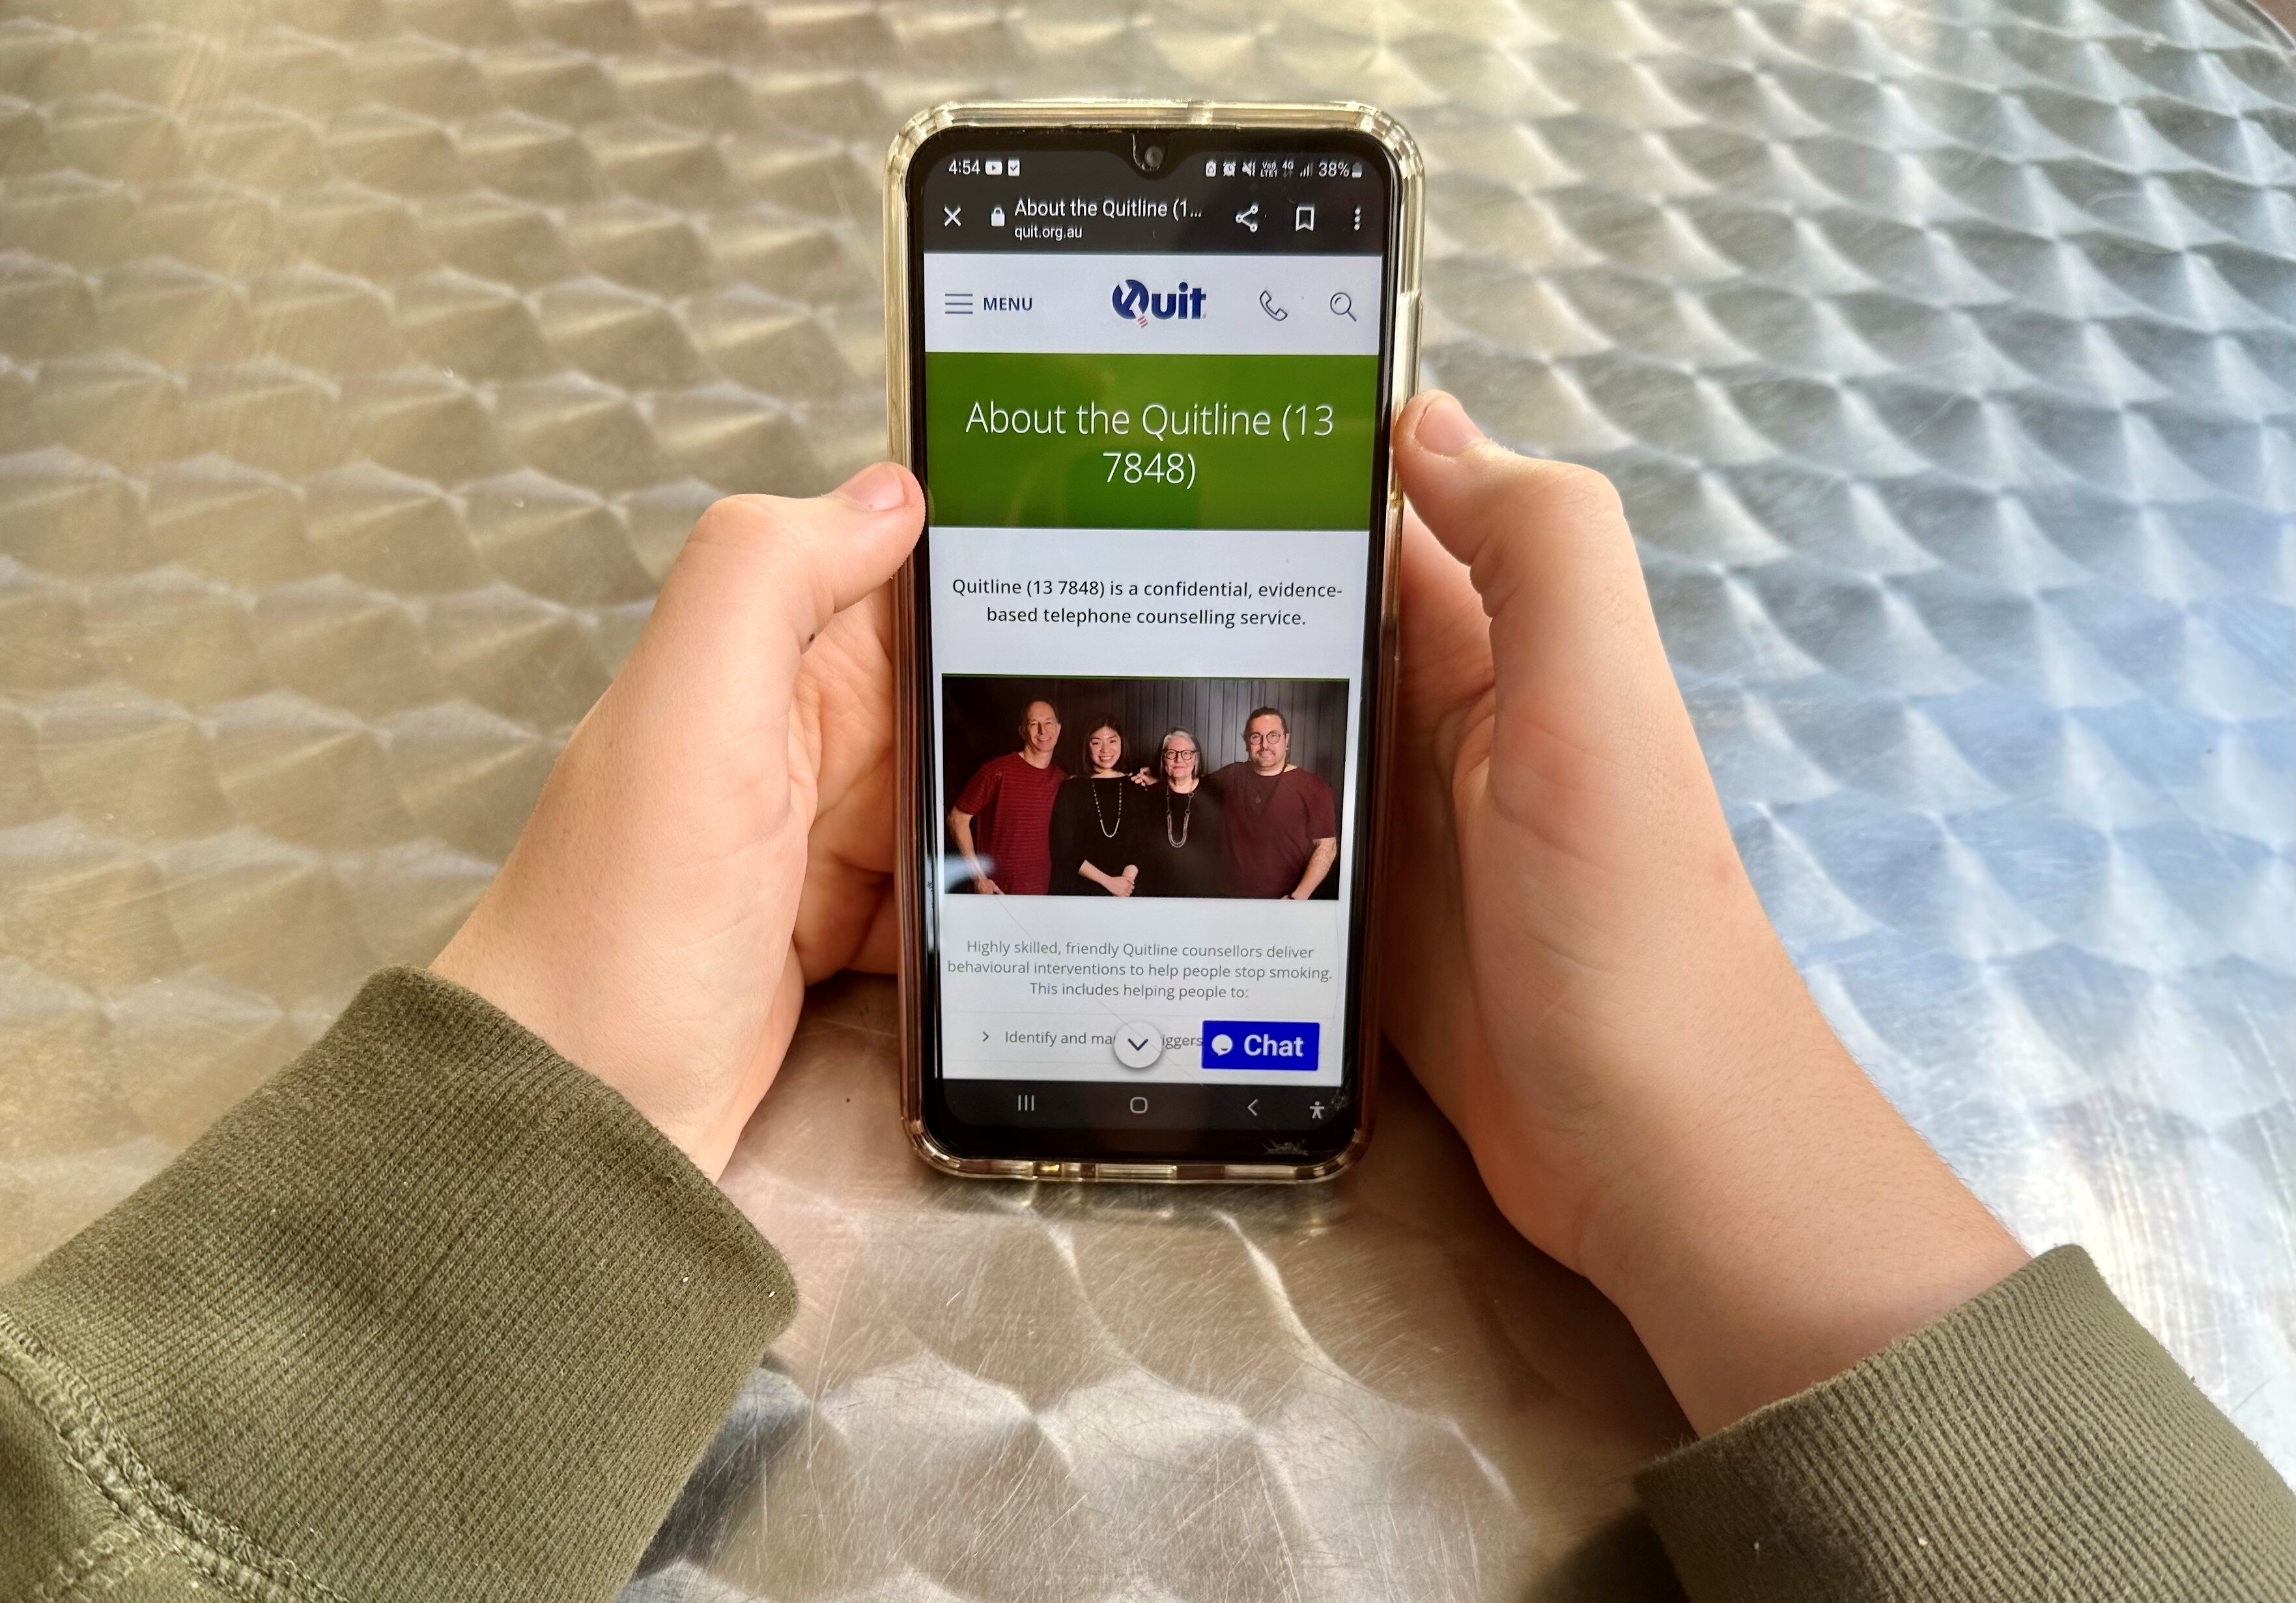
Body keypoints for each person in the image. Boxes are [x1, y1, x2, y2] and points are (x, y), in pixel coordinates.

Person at [1, 406, 2286, 1603]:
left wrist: (1681, 1115)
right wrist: (1714, 1149)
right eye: (1107, 737)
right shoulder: (1034, 773)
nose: (1140, 745)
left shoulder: (1251, 790)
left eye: (1175, 742)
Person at [1205, 707, 1337, 899]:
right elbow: (1189, 785)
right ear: (1246, 743)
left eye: (1273, 736)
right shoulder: (1231, 775)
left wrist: (1297, 898)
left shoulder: (1313, 787)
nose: (1265, 745)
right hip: (1227, 901)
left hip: (1284, 903)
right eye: (1256, 737)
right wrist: (1163, 774)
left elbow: (1327, 848)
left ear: (1286, 740)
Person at [948, 698, 1064, 894]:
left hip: (1040, 896)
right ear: (1023, 731)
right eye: (1034, 724)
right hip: (995, 893)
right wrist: (979, 878)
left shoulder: (1061, 779)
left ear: (1059, 728)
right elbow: (957, 820)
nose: (1043, 731)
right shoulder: (998, 771)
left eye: (1048, 722)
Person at [1048, 716, 1141, 896]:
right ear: (1087, 746)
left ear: (1122, 742)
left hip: (1128, 890)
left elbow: (1142, 844)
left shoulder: (1137, 786)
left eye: (1112, 741)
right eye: (1097, 742)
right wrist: (1108, 882)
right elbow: (1063, 848)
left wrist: (1125, 883)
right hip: (1082, 890)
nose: (1105, 750)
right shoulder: (1070, 789)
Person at [1133, 727, 1228, 898]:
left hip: (1204, 892)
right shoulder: (1148, 795)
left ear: (1196, 758)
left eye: (1186, 754)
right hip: (1156, 892)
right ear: (1163, 758)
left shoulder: (1215, 793)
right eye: (1171, 753)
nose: (1179, 760)